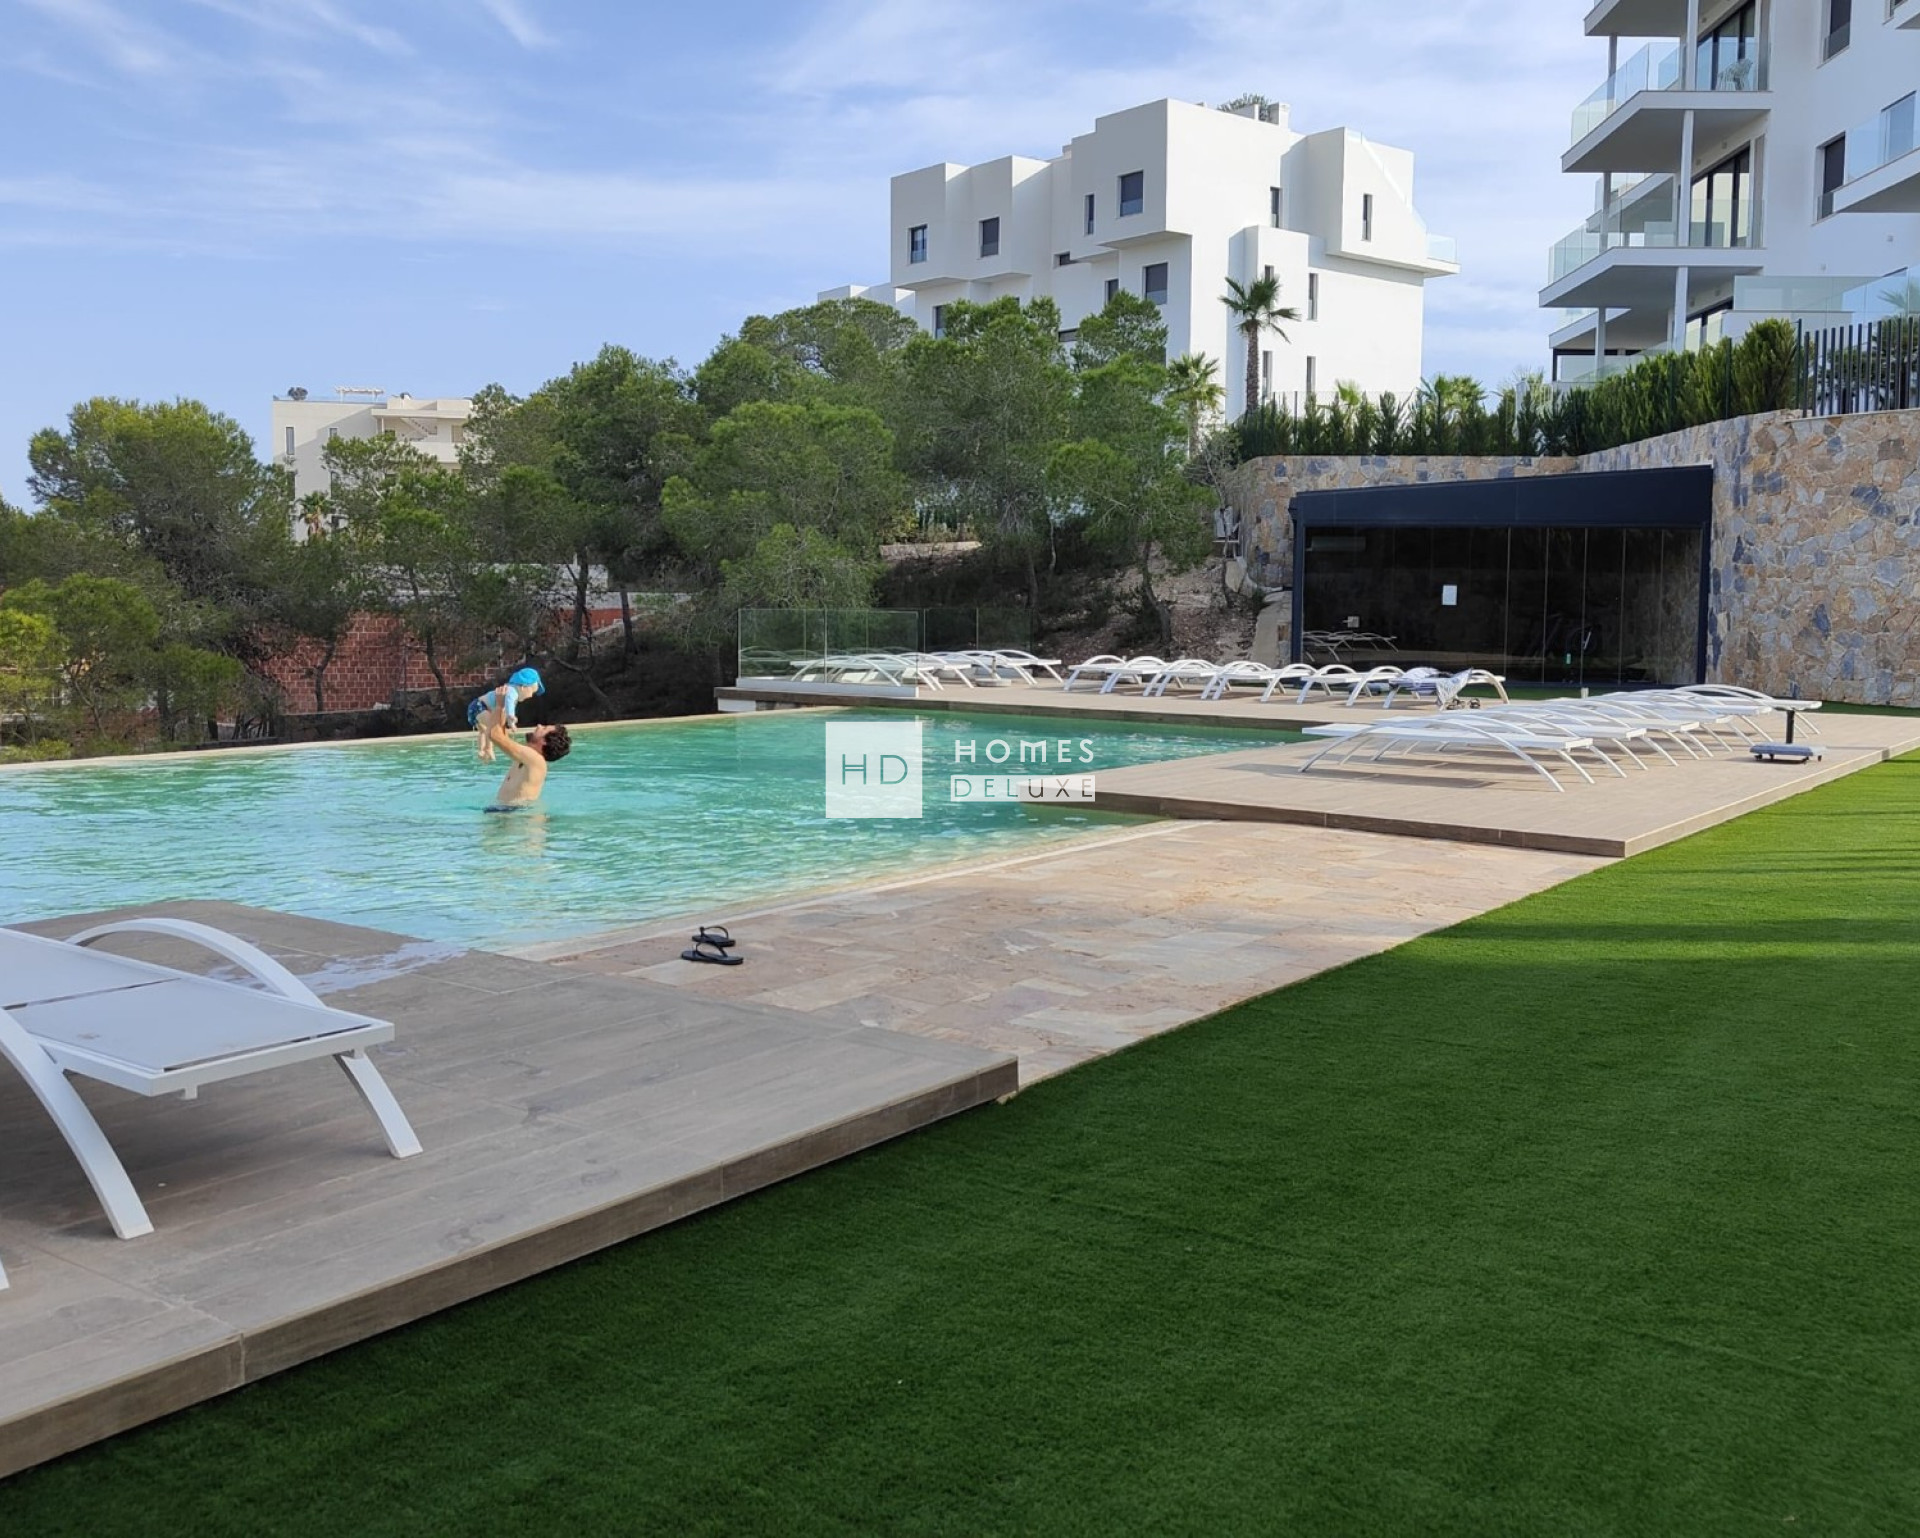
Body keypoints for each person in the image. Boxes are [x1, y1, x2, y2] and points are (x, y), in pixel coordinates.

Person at [488, 719, 571, 808]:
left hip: (516, 813)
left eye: (544, 728)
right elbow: (501, 735)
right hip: (511, 811)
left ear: (545, 741)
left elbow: (495, 735)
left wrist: (499, 709)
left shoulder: (536, 759)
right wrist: (503, 712)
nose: (539, 725)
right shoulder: (527, 759)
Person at [468, 668, 544, 762]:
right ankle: (488, 749)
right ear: (523, 687)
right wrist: (511, 717)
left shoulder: (510, 690)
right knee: (492, 727)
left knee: (484, 731)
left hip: (477, 707)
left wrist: (509, 721)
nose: (531, 695)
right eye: (532, 692)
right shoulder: (512, 692)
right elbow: (509, 704)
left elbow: (507, 707)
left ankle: (483, 751)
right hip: (479, 707)